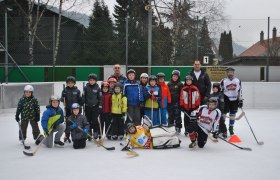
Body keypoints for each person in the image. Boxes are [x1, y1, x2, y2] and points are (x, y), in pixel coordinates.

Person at [220, 67, 243, 136]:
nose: (230, 73)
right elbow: (221, 91)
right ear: (226, 73)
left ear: (233, 73)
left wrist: (240, 100)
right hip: (226, 99)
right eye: (229, 72)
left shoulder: (237, 80)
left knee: (232, 114)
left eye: (231, 72)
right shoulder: (223, 81)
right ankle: (222, 128)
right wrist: (221, 100)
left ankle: (231, 128)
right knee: (224, 114)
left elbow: (240, 91)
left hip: (235, 100)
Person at [61, 76, 82, 143]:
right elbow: (62, 99)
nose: (70, 84)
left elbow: (80, 100)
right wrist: (63, 97)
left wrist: (81, 102)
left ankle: (76, 134)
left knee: (76, 122)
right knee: (68, 123)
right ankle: (67, 135)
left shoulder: (77, 90)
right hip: (68, 109)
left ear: (74, 83)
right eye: (69, 83)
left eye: (71, 83)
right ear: (67, 83)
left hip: (75, 110)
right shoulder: (65, 90)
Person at [82, 73, 102, 140]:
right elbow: (83, 96)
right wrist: (82, 101)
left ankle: (95, 131)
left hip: (95, 107)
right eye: (90, 80)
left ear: (95, 81)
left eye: (93, 80)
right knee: (88, 120)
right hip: (87, 107)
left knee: (95, 120)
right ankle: (89, 132)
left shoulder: (98, 88)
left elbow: (100, 98)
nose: (92, 81)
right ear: (88, 81)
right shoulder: (85, 88)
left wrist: (100, 106)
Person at [167, 70, 184, 134]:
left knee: (178, 115)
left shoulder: (180, 84)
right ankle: (170, 126)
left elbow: (181, 94)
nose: (175, 78)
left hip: (177, 102)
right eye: (174, 76)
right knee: (170, 115)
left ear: (178, 77)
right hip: (170, 102)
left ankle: (178, 127)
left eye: (176, 76)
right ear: (172, 76)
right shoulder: (169, 84)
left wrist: (180, 102)